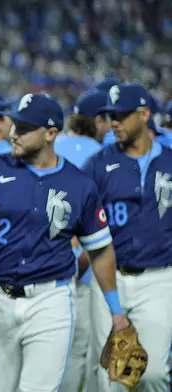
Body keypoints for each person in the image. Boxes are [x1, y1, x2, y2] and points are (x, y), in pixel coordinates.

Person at [0, 93, 130, 392]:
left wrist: (116, 311)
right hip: (0, 298)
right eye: (15, 124)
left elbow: (100, 249)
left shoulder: (79, 184)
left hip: (51, 300)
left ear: (51, 134)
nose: (14, 133)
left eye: (24, 128)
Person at [83, 83, 172, 392]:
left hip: (159, 278)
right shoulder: (98, 164)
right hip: (110, 279)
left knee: (155, 373)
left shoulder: (170, 161)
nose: (114, 122)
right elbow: (81, 223)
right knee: (110, 375)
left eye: (121, 115)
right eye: (111, 116)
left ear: (144, 114)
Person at [53, 88, 105, 392]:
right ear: (98, 121)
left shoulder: (49, 144)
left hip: (36, 266)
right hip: (82, 271)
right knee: (78, 350)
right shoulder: (101, 157)